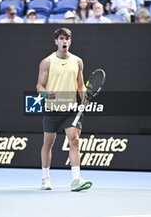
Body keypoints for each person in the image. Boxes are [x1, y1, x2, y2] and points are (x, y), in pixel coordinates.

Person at [36, 27, 92, 192]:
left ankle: (76, 179)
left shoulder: (77, 61)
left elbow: (80, 85)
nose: (64, 41)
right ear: (56, 42)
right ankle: (45, 178)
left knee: (74, 141)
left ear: (70, 41)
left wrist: (84, 98)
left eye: (67, 39)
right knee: (48, 143)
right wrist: (46, 93)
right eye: (61, 38)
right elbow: (39, 86)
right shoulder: (47, 62)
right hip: (52, 108)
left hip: (71, 109)